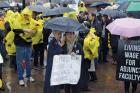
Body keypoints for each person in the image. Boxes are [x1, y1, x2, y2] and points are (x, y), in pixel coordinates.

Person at [12, 8, 36, 86]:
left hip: (28, 44)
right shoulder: (17, 20)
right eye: (24, 14)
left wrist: (34, 31)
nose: (26, 16)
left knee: (28, 61)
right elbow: (15, 30)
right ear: (22, 14)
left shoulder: (32, 21)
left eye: (27, 15)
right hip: (20, 44)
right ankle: (20, 78)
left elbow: (36, 28)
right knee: (20, 62)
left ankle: (29, 76)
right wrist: (26, 30)